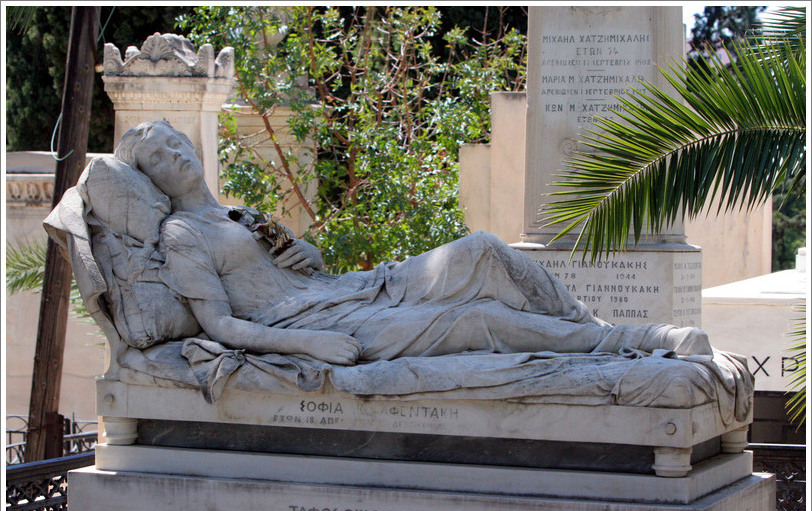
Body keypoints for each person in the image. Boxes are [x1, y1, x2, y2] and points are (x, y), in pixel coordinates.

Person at [113, 120, 712, 366]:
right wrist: (311, 344)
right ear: (153, 180)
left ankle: (606, 334)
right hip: (321, 323)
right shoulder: (181, 234)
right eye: (161, 157)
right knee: (476, 319)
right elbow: (222, 327)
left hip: (347, 291)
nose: (178, 153)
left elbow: (303, 271)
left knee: (480, 248)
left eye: (177, 141)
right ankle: (638, 346)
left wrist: (312, 258)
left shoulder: (241, 213)